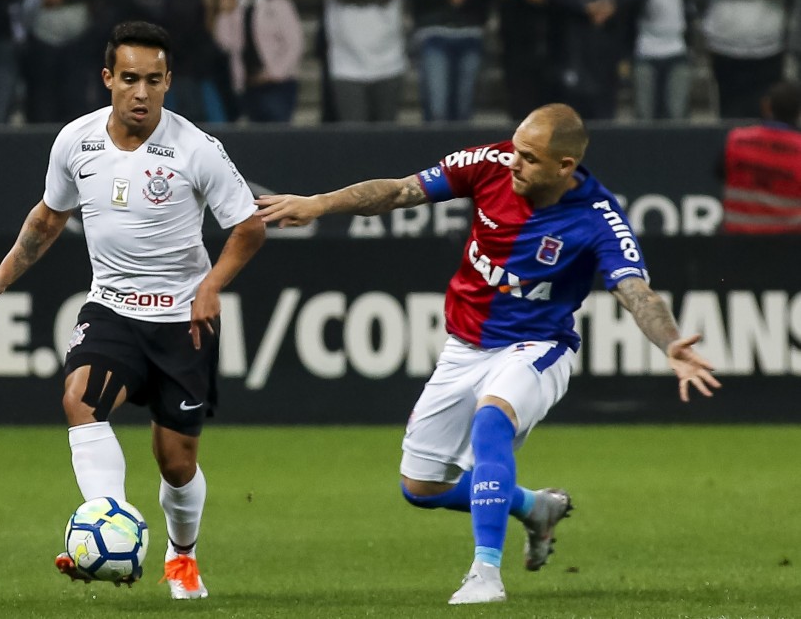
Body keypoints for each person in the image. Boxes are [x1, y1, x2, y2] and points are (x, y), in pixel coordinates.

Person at [255, 103, 720, 604]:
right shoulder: (492, 163)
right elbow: (399, 190)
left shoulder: (597, 219)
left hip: (539, 347)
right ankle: (535, 507)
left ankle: (485, 574)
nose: (512, 162)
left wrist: (670, 342)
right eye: (514, 148)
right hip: (464, 348)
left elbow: (635, 291)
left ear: (564, 166)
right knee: (420, 487)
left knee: (492, 419)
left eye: (528, 157)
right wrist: (321, 204)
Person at [0, 20, 266, 599]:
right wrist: (0, 277)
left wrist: (212, 284)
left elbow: (248, 227)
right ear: (108, 79)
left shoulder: (196, 149)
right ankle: (110, 525)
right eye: (129, 78)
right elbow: (49, 217)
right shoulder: (76, 142)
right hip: (113, 311)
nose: (141, 92)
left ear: (169, 81)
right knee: (80, 399)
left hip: (182, 323)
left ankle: (181, 556)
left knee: (176, 464)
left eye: (153, 79)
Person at [721, 80, 801, 233]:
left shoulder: (736, 139)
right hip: (789, 244)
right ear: (798, 112)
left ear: (767, 106)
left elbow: (721, 173)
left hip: (737, 239)